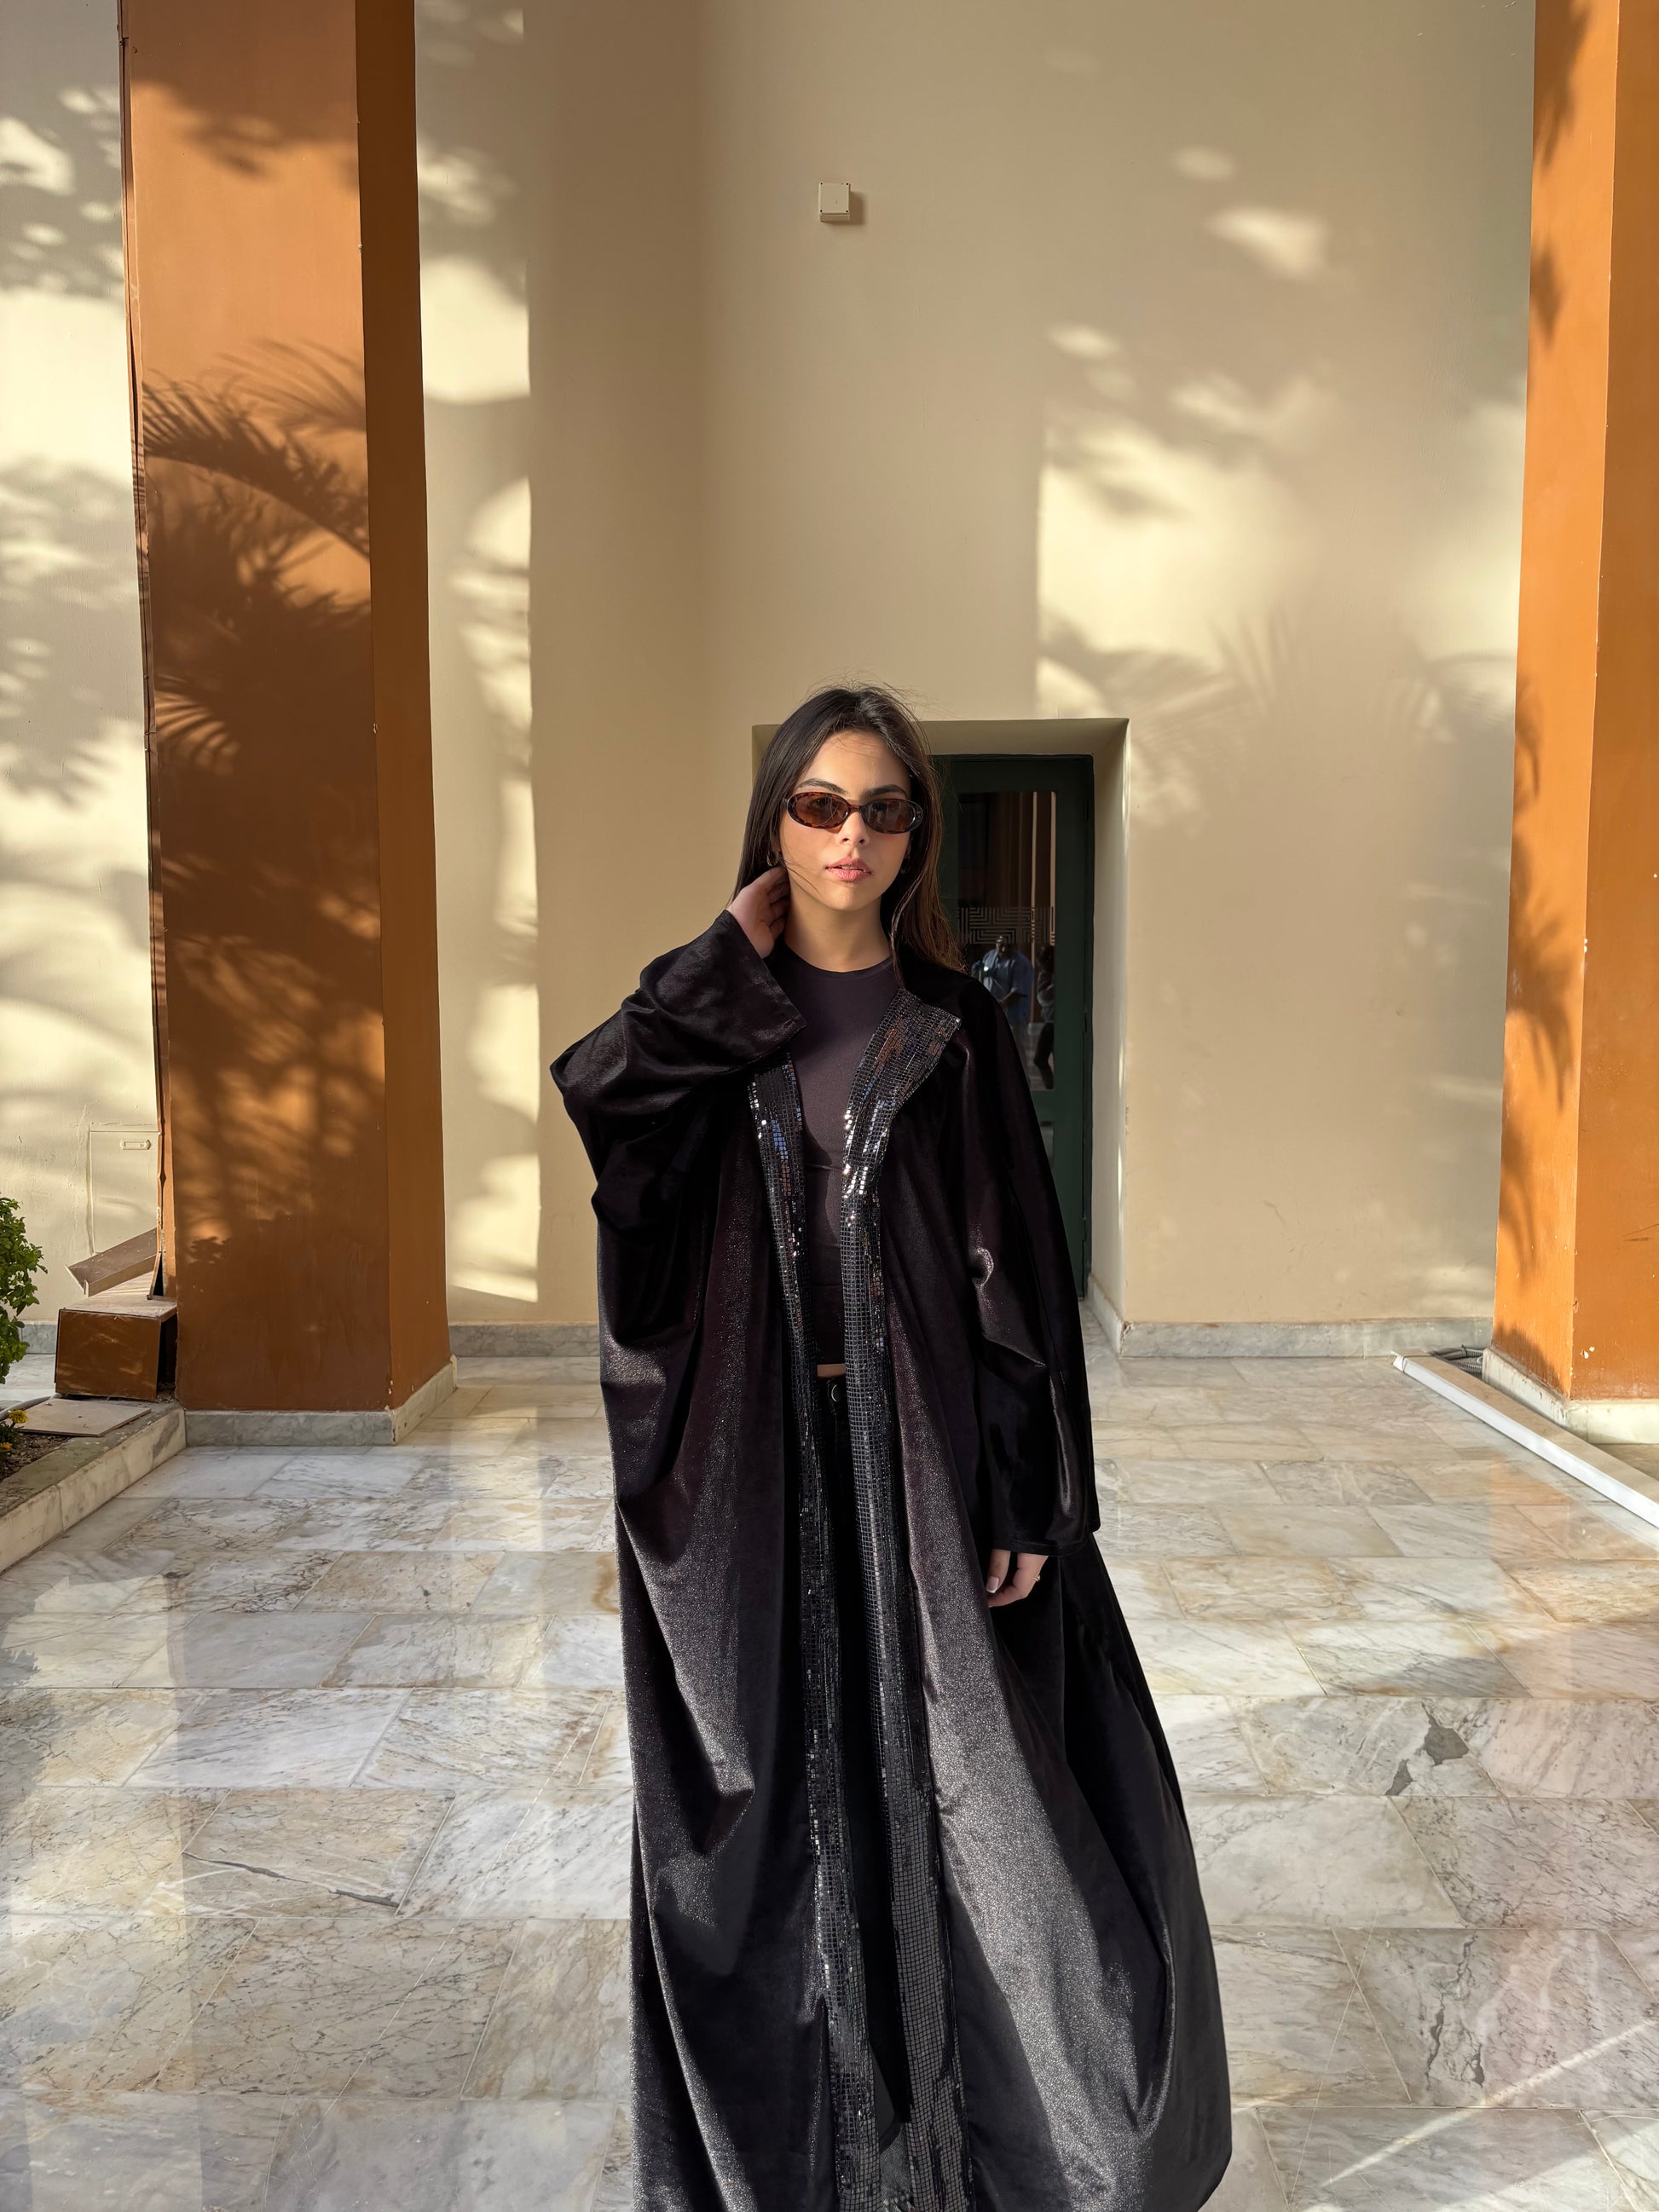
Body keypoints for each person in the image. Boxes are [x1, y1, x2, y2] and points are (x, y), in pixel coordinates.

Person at [552, 684, 1229, 2212]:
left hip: (928, 1469)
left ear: (914, 831)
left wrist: (1031, 1492)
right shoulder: (711, 1015)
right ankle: (819, 2159)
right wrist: (718, 966)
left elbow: (1019, 1276)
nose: (849, 835)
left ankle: (1020, 2150)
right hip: (756, 1471)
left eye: (880, 808)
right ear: (776, 824)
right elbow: (605, 1111)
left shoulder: (957, 1025)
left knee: (995, 1799)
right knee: (785, 1806)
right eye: (818, 805)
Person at [974, 928, 1033, 1029]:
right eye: (1001, 945)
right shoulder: (989, 956)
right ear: (996, 944)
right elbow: (982, 978)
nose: (1004, 949)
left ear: (1015, 946)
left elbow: (1018, 992)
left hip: (1013, 1020)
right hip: (991, 1016)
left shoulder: (1021, 963)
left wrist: (999, 1005)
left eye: (1009, 946)